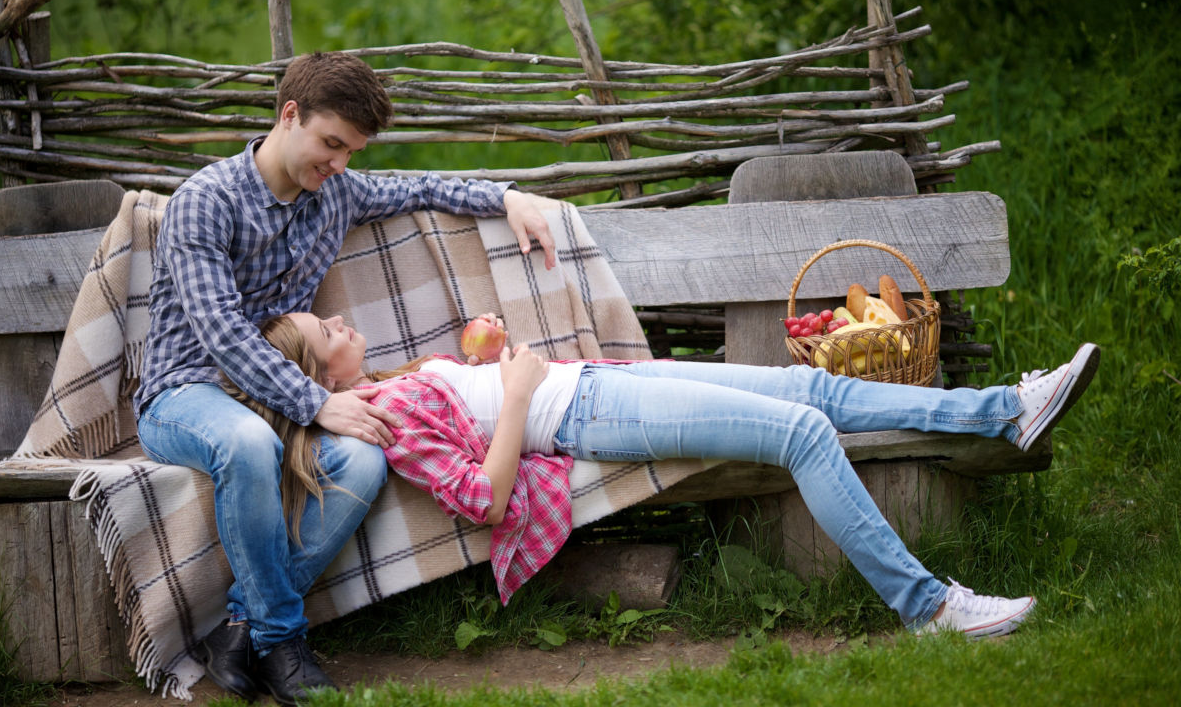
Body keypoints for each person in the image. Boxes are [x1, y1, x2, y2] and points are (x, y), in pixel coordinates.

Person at [231, 310, 1100, 647]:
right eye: (328, 324)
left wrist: (490, 353)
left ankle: (1003, 412)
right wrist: (519, 392)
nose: (346, 317)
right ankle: (932, 610)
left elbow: (480, 394)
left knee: (811, 385)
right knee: (802, 431)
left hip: (601, 378)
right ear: (326, 372)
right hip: (587, 415)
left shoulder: (389, 385)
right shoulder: (385, 419)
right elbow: (481, 499)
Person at [132, 51, 560, 706]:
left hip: (274, 399)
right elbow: (221, 333)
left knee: (365, 456)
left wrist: (509, 196)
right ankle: (282, 641)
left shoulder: (335, 192)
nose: (338, 164)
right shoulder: (206, 202)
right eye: (330, 144)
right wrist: (316, 403)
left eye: (350, 152)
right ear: (289, 114)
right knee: (248, 443)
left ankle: (243, 626)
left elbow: (421, 188)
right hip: (188, 392)